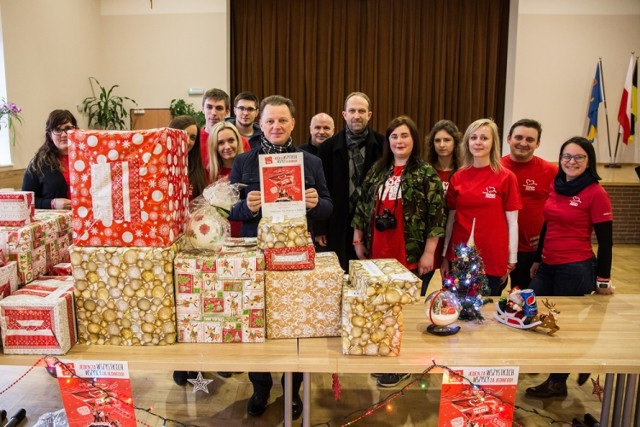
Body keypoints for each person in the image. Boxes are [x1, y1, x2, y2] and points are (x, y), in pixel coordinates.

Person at [229, 95, 332, 419]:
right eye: (270, 120)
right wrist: (249, 206)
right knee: (256, 322)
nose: (276, 126)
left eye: (282, 120)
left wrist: (316, 202)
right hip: (256, 255)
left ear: (293, 124)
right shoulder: (244, 161)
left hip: (296, 257)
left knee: (295, 324)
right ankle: (260, 387)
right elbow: (228, 209)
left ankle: (293, 389)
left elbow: (329, 207)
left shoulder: (310, 161)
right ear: (260, 124)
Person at [352, 116, 445, 388]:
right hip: (379, 250)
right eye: (394, 136)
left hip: (411, 252)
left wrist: (429, 253)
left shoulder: (425, 172)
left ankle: (403, 365)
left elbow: (436, 216)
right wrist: (358, 239)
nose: (399, 141)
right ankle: (385, 356)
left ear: (413, 140)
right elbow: (361, 205)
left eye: (404, 136)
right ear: (387, 141)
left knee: (404, 311)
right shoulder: (378, 170)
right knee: (382, 308)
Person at [525, 136, 613, 399]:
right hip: (548, 264)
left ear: (589, 161)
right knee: (529, 309)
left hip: (575, 267)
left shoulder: (596, 193)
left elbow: (606, 241)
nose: (571, 162)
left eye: (578, 157)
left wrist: (603, 280)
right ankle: (570, 365)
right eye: (566, 156)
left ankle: (557, 382)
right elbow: (546, 224)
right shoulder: (557, 185)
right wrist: (538, 258)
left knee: (560, 325)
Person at [440, 118, 521, 296]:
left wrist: (511, 259)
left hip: (492, 257)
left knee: (485, 314)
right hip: (459, 256)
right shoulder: (458, 177)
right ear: (467, 142)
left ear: (493, 143)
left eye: (484, 138)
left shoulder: (506, 177)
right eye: (473, 137)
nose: (478, 142)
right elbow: (451, 220)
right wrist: (446, 256)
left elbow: (513, 222)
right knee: (453, 308)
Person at [317, 92, 384, 270]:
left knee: (370, 275)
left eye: (361, 111)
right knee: (339, 274)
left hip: (372, 225)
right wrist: (320, 228)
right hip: (337, 224)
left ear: (369, 115)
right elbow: (320, 190)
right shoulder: (327, 148)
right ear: (344, 114)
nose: (356, 116)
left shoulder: (383, 146)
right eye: (352, 111)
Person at [168, 115, 208, 387]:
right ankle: (180, 364)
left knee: (190, 304)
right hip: (166, 245)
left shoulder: (195, 168)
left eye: (193, 136)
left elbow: (201, 205)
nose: (187, 140)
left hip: (190, 244)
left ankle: (196, 362)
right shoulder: (158, 163)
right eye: (183, 133)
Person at [500, 119, 557, 290]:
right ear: (509, 138)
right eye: (518, 137)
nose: (523, 143)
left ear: (538, 143)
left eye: (530, 139)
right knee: (490, 298)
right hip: (500, 247)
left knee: (525, 301)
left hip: (530, 251)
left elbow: (561, 209)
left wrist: (547, 237)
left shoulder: (551, 171)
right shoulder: (496, 168)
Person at [421, 119, 462, 295]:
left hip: (454, 237)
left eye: (447, 140)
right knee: (420, 288)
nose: (442, 145)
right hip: (429, 239)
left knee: (451, 293)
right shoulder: (425, 170)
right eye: (437, 141)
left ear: (456, 143)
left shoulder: (463, 172)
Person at [22, 109, 77, 209]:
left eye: (68, 128)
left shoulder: (88, 158)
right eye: (57, 130)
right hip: (58, 222)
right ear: (50, 135)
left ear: (76, 130)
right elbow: (24, 200)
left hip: (88, 220)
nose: (64, 134)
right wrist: (52, 204)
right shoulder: (38, 164)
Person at [208, 121, 245, 238]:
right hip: (217, 236)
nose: (227, 147)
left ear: (238, 141)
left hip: (245, 235)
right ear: (214, 146)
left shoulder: (249, 170)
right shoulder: (208, 173)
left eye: (231, 140)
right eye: (221, 143)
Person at [169, 115, 207, 200]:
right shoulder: (159, 166)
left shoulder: (199, 171)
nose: (188, 141)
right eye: (184, 134)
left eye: (193, 138)